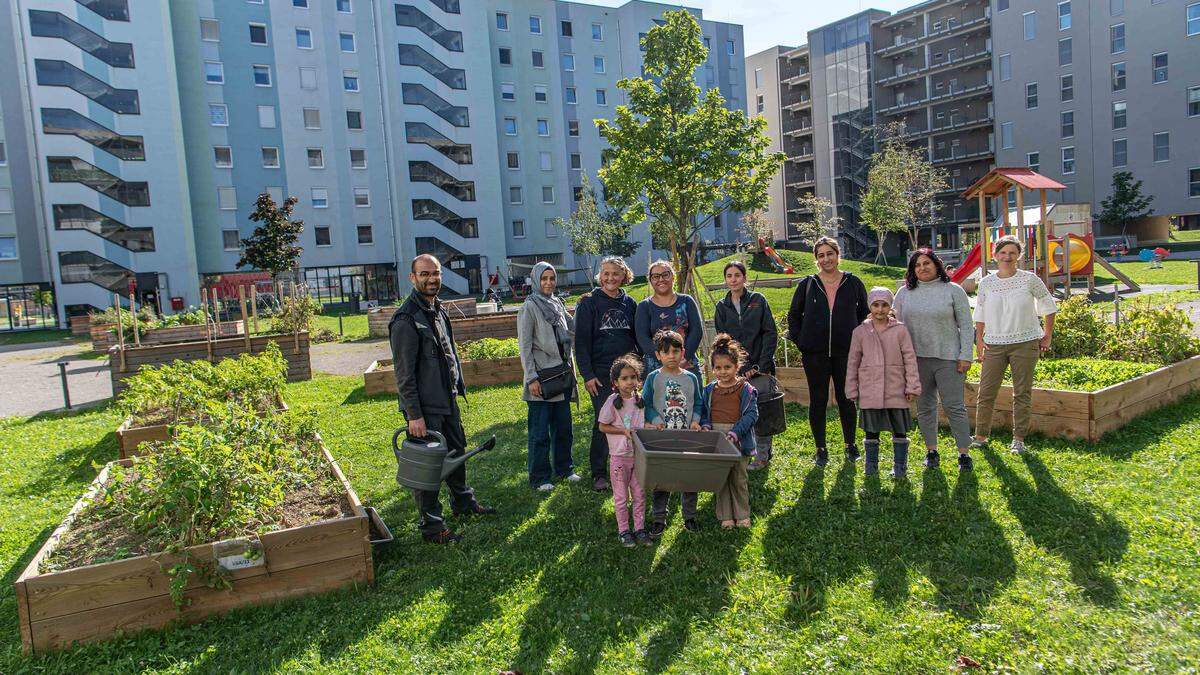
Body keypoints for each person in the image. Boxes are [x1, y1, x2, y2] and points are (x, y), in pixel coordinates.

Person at [389, 254, 496, 544]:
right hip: (424, 408)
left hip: (447, 399)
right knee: (429, 468)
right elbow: (404, 375)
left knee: (457, 453)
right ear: (412, 278)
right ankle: (433, 527)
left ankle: (463, 503)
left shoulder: (438, 310)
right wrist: (414, 415)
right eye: (424, 274)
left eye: (435, 273)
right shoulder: (406, 319)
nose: (431, 279)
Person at [786, 236, 869, 467]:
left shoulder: (853, 282)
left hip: (846, 352)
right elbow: (794, 316)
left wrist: (857, 339)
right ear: (816, 259)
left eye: (829, 253)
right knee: (818, 399)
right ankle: (821, 448)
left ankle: (850, 445)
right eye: (821, 255)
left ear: (837, 254)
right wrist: (802, 341)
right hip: (815, 354)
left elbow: (864, 313)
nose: (826, 259)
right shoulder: (807, 284)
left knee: (846, 399)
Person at [971, 235, 1057, 455]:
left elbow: (1048, 305)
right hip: (994, 344)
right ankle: (980, 436)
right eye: (1003, 253)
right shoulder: (986, 283)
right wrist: (979, 340)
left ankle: (1018, 439)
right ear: (995, 255)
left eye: (1011, 253)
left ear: (1018, 255)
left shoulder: (1030, 279)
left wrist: (1047, 335)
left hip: (1025, 343)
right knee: (986, 391)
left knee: (1021, 392)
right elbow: (980, 313)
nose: (1007, 257)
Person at [892, 248, 976, 471]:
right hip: (917, 360)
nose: (922, 268)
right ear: (912, 270)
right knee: (925, 407)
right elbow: (894, 326)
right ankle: (932, 451)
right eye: (917, 265)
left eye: (926, 263)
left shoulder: (953, 291)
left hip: (949, 358)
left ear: (936, 264)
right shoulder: (904, 293)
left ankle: (964, 454)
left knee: (954, 406)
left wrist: (966, 355)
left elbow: (967, 325)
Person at [574, 257, 639, 492]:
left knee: (631, 418)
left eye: (615, 274)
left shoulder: (629, 303)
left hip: (628, 373)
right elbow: (580, 343)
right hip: (600, 374)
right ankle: (599, 473)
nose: (610, 278)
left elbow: (636, 338)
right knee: (604, 420)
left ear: (624, 276)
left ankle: (630, 464)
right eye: (606, 273)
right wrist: (587, 375)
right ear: (600, 275)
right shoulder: (589, 303)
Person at [845, 287, 921, 478]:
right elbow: (853, 362)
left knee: (899, 430)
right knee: (871, 431)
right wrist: (852, 389)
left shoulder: (900, 330)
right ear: (870, 306)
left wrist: (911, 386)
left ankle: (900, 468)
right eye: (876, 305)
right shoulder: (860, 332)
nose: (880, 309)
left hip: (896, 388)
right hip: (870, 389)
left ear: (890, 306)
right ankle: (871, 467)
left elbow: (910, 358)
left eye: (884, 305)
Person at [518, 261, 580, 491]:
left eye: (551, 278)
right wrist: (531, 378)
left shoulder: (556, 303)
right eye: (543, 279)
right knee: (540, 433)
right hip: (542, 379)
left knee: (563, 428)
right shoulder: (529, 307)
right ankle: (540, 477)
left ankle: (565, 469)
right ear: (535, 280)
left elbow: (571, 328)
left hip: (561, 376)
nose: (548, 283)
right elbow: (524, 346)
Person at [713, 260, 779, 470]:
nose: (733, 279)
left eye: (737, 275)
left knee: (762, 411)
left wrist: (760, 365)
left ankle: (763, 454)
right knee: (741, 412)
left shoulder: (758, 301)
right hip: (736, 370)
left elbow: (770, 333)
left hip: (760, 366)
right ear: (725, 280)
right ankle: (746, 451)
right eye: (729, 276)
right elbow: (723, 340)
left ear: (745, 278)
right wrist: (734, 368)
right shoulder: (722, 307)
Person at [642, 329, 704, 537]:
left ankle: (690, 516)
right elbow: (646, 403)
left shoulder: (691, 378)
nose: (671, 356)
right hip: (662, 437)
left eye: (675, 351)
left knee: (690, 477)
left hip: (687, 436)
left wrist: (695, 421)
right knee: (662, 479)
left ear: (683, 352)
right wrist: (656, 419)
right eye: (666, 352)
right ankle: (659, 518)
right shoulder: (652, 378)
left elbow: (699, 402)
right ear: (658, 355)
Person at [700, 335, 759, 528]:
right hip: (718, 440)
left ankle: (742, 514)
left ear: (737, 366)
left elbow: (751, 415)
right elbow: (704, 413)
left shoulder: (746, 389)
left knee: (739, 478)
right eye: (718, 368)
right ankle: (726, 516)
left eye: (727, 367)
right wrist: (707, 426)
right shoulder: (709, 390)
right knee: (722, 479)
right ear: (712, 368)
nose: (723, 372)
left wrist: (735, 433)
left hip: (738, 440)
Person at [596, 354, 652, 547]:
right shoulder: (612, 401)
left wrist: (654, 427)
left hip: (638, 457)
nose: (629, 382)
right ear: (616, 382)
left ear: (638, 379)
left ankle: (640, 529)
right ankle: (624, 531)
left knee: (639, 494)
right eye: (624, 378)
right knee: (621, 497)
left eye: (633, 377)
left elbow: (643, 424)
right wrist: (622, 431)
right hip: (619, 459)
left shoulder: (640, 400)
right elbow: (602, 426)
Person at [635, 260, 704, 381]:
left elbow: (696, 331)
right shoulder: (644, 306)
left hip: (686, 365)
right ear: (650, 280)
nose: (661, 279)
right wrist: (664, 360)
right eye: (655, 276)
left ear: (673, 277)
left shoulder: (686, 301)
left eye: (665, 274)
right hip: (657, 369)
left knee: (691, 399)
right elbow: (642, 337)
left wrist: (683, 358)